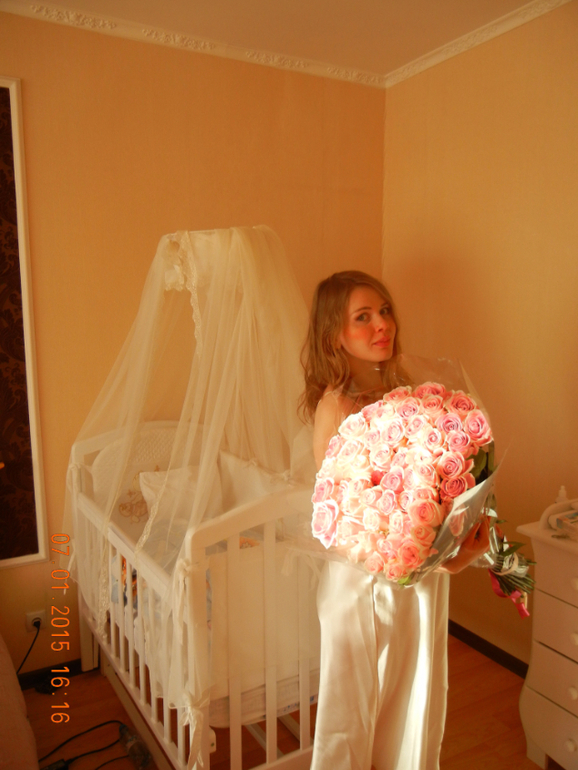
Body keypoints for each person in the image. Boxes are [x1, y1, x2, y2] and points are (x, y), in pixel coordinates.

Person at [301, 271, 490, 770]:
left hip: (420, 585)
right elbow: (345, 521)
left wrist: (459, 544)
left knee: (415, 703)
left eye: (384, 311)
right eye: (362, 317)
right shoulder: (336, 406)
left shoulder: (415, 395)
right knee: (352, 715)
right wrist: (428, 557)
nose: (382, 324)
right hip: (361, 585)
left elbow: (439, 497)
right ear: (334, 336)